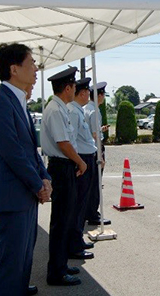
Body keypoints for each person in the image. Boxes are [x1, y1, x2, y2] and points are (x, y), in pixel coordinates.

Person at [0, 43, 52, 296]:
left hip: (25, 193)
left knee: (25, 254)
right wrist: (38, 185)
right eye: (31, 63)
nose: (36, 68)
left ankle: (20, 288)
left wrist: (45, 177)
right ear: (14, 69)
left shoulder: (18, 100)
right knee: (11, 262)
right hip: (12, 196)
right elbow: (12, 151)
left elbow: (29, 149)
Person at [40, 67, 89, 287]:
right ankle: (56, 272)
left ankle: (60, 265)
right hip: (61, 166)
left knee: (66, 218)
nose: (75, 91)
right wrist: (79, 161)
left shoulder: (59, 107)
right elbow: (63, 143)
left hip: (64, 166)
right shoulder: (57, 110)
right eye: (74, 87)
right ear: (67, 88)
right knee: (61, 221)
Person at [67, 77, 97, 255]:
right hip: (82, 160)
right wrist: (79, 162)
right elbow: (71, 141)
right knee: (78, 204)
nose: (88, 94)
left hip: (86, 158)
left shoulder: (78, 110)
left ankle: (77, 239)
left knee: (82, 202)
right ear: (80, 93)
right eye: (85, 92)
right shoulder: (73, 111)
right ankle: (74, 243)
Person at [83, 81, 111, 226]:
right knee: (95, 184)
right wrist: (100, 155)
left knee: (91, 184)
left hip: (89, 149)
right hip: (95, 149)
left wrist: (101, 129)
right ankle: (93, 214)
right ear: (99, 96)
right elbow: (94, 135)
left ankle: (89, 212)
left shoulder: (87, 108)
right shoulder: (94, 111)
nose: (103, 97)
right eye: (103, 95)